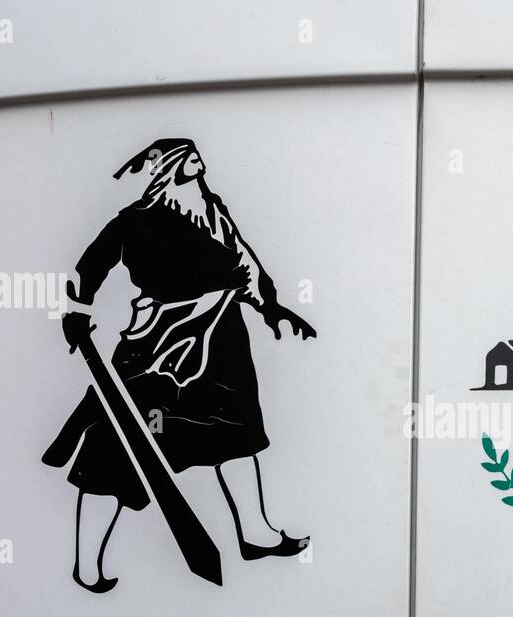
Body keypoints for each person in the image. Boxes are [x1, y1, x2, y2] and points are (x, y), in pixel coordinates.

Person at [42, 139, 314, 592]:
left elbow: (246, 265)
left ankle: (256, 534)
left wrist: (272, 309)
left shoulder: (215, 214)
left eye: (198, 159)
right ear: (170, 168)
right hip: (157, 345)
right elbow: (88, 267)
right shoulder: (135, 221)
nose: (198, 165)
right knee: (114, 445)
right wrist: (77, 311)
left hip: (223, 342)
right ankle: (87, 564)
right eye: (188, 158)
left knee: (237, 435)